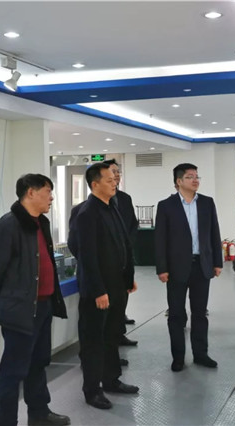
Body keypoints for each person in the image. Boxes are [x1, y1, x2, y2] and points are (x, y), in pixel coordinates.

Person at [0, 174, 70, 426]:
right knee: (13, 370)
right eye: (48, 191)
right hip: (19, 310)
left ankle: (39, 412)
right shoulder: (9, 225)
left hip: (43, 306)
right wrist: (7, 301)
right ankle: (6, 422)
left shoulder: (41, 223)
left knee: (38, 362)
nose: (51, 197)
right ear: (31, 192)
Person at [74, 163, 139, 410]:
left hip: (117, 284)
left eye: (115, 179)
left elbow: (124, 244)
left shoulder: (113, 207)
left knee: (112, 335)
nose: (115, 183)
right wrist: (98, 290)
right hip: (98, 290)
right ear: (95, 184)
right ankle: (92, 390)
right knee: (93, 340)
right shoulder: (87, 213)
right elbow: (87, 256)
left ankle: (112, 380)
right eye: (109, 180)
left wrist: (128, 277)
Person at [155, 163, 223, 372]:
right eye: (190, 177)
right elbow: (160, 240)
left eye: (197, 176)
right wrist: (162, 268)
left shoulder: (207, 203)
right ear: (179, 181)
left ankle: (201, 354)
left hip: (202, 265)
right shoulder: (166, 206)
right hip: (176, 268)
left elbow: (214, 233)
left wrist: (217, 262)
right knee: (176, 314)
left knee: (200, 313)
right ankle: (178, 357)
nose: (195, 180)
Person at [102, 159, 139, 347]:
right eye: (113, 172)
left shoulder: (125, 198)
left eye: (118, 172)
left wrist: (127, 243)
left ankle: (120, 333)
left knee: (123, 297)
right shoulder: (93, 206)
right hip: (108, 260)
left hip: (125, 258)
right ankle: (109, 340)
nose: (116, 175)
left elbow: (132, 223)